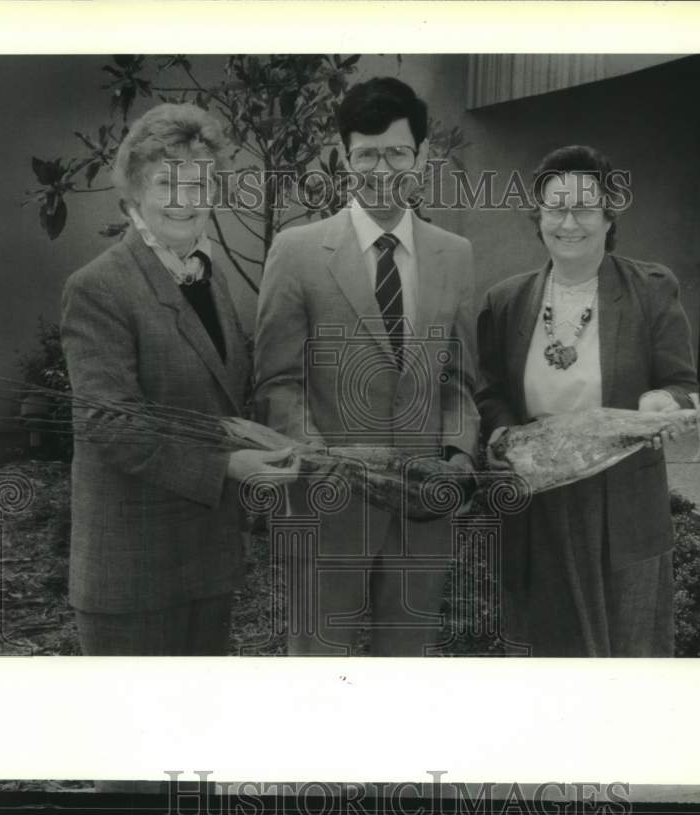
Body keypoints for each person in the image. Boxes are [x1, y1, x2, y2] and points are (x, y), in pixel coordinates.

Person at [61, 103, 297, 657]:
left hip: (206, 564)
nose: (184, 200)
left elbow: (211, 398)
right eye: (167, 182)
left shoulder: (205, 279)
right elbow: (108, 422)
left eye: (199, 184)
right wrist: (227, 466)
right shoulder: (99, 286)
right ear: (135, 192)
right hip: (133, 572)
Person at [253, 77, 480, 656]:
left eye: (398, 152)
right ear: (345, 158)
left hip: (425, 512)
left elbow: (458, 379)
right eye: (366, 155)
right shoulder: (297, 251)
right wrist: (318, 459)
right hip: (328, 508)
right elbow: (278, 380)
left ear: (422, 156)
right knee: (319, 673)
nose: (383, 169)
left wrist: (458, 456)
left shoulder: (455, 255)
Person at [476, 145, 698, 657]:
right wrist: (502, 431)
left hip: (622, 504)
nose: (568, 222)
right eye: (555, 207)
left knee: (626, 649)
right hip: (538, 501)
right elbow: (489, 391)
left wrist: (663, 401)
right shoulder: (506, 300)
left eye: (583, 207)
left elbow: (682, 384)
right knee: (543, 648)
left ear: (607, 215)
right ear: (539, 217)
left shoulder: (649, 290)